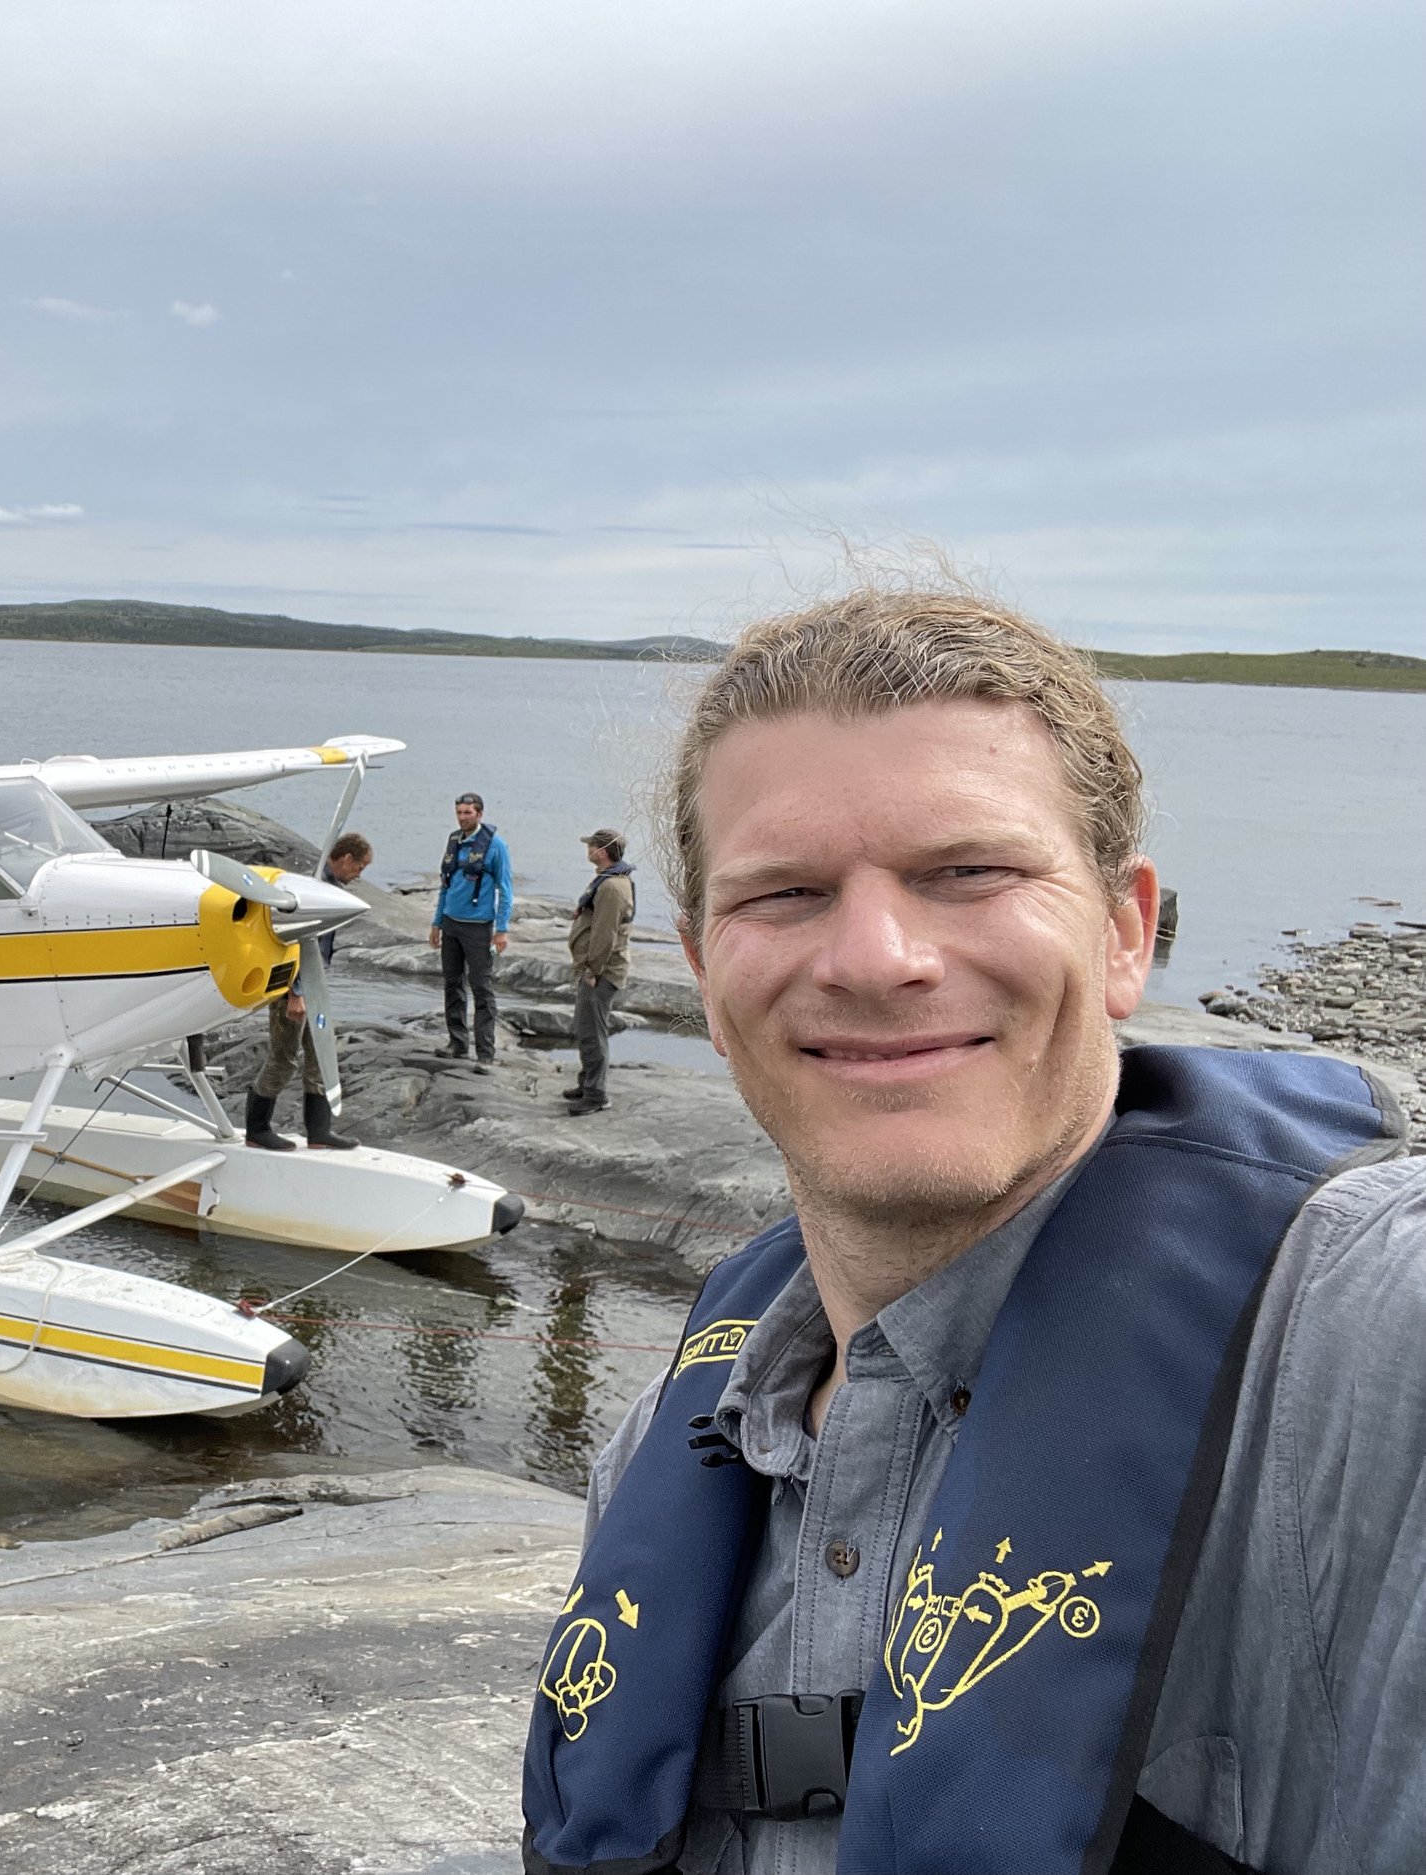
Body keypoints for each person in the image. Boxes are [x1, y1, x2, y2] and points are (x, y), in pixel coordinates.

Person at [520, 586, 1424, 1874]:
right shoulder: (687, 1416)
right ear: (705, 977)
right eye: (783, 893)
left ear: (1122, 931)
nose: (876, 957)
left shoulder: (1366, 1342)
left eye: (970, 873)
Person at [246, 832, 372, 1152]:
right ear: (345, 859)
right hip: (293, 986)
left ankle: (319, 1132)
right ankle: (257, 1129)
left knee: (320, 1053)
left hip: (314, 984)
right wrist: (295, 994)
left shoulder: (331, 890)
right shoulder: (310, 891)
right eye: (359, 867)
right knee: (283, 1059)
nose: (360, 874)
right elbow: (293, 942)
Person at [430, 791, 513, 1069]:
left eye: (468, 813)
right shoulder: (454, 841)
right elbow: (446, 884)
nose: (462, 817)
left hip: (479, 927)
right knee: (452, 983)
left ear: (479, 814)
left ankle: (486, 1054)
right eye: (459, 813)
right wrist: (437, 922)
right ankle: (457, 1042)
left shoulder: (495, 846)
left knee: (481, 988)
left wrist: (501, 929)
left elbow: (506, 889)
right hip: (451, 923)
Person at [566, 829, 634, 1111]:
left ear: (601, 851)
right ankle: (587, 1083)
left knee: (593, 1032)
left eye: (591, 846)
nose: (588, 850)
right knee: (586, 1028)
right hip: (597, 969)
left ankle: (596, 1095)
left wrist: (593, 969)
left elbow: (605, 935)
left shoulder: (611, 887)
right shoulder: (609, 880)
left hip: (602, 973)